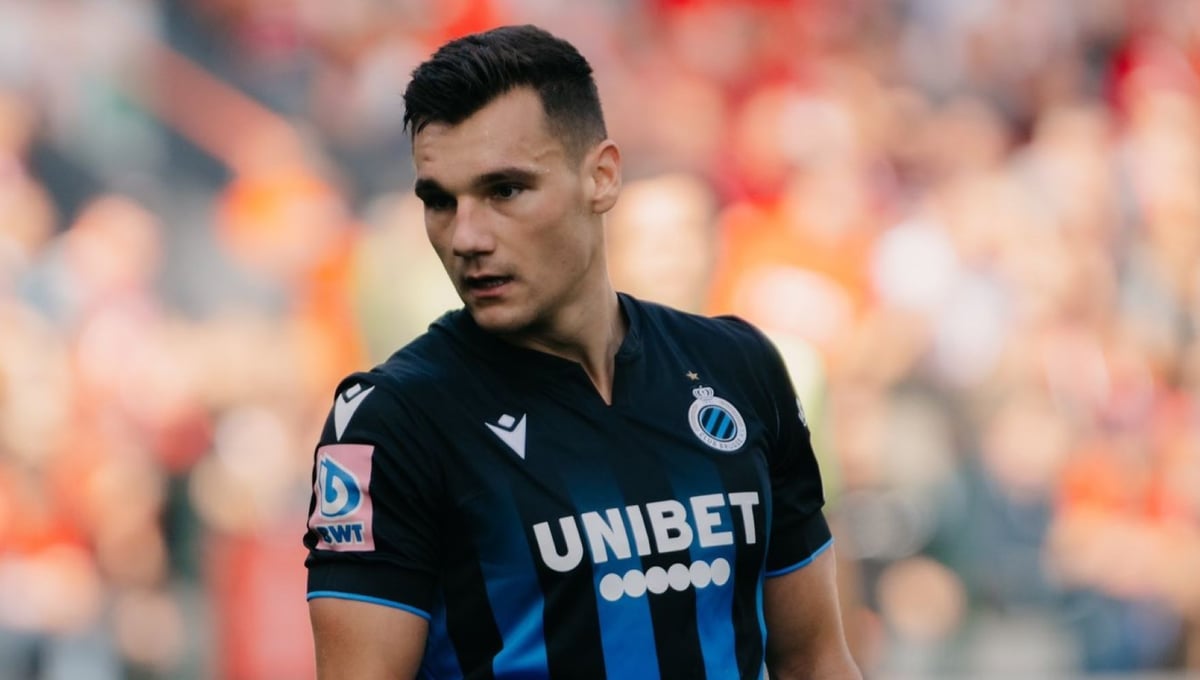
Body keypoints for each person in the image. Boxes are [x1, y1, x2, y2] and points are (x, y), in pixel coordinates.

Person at [303, 24, 861, 680]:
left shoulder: (741, 369)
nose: (467, 236)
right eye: (440, 201)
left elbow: (816, 660)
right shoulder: (390, 422)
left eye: (504, 190)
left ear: (601, 178)